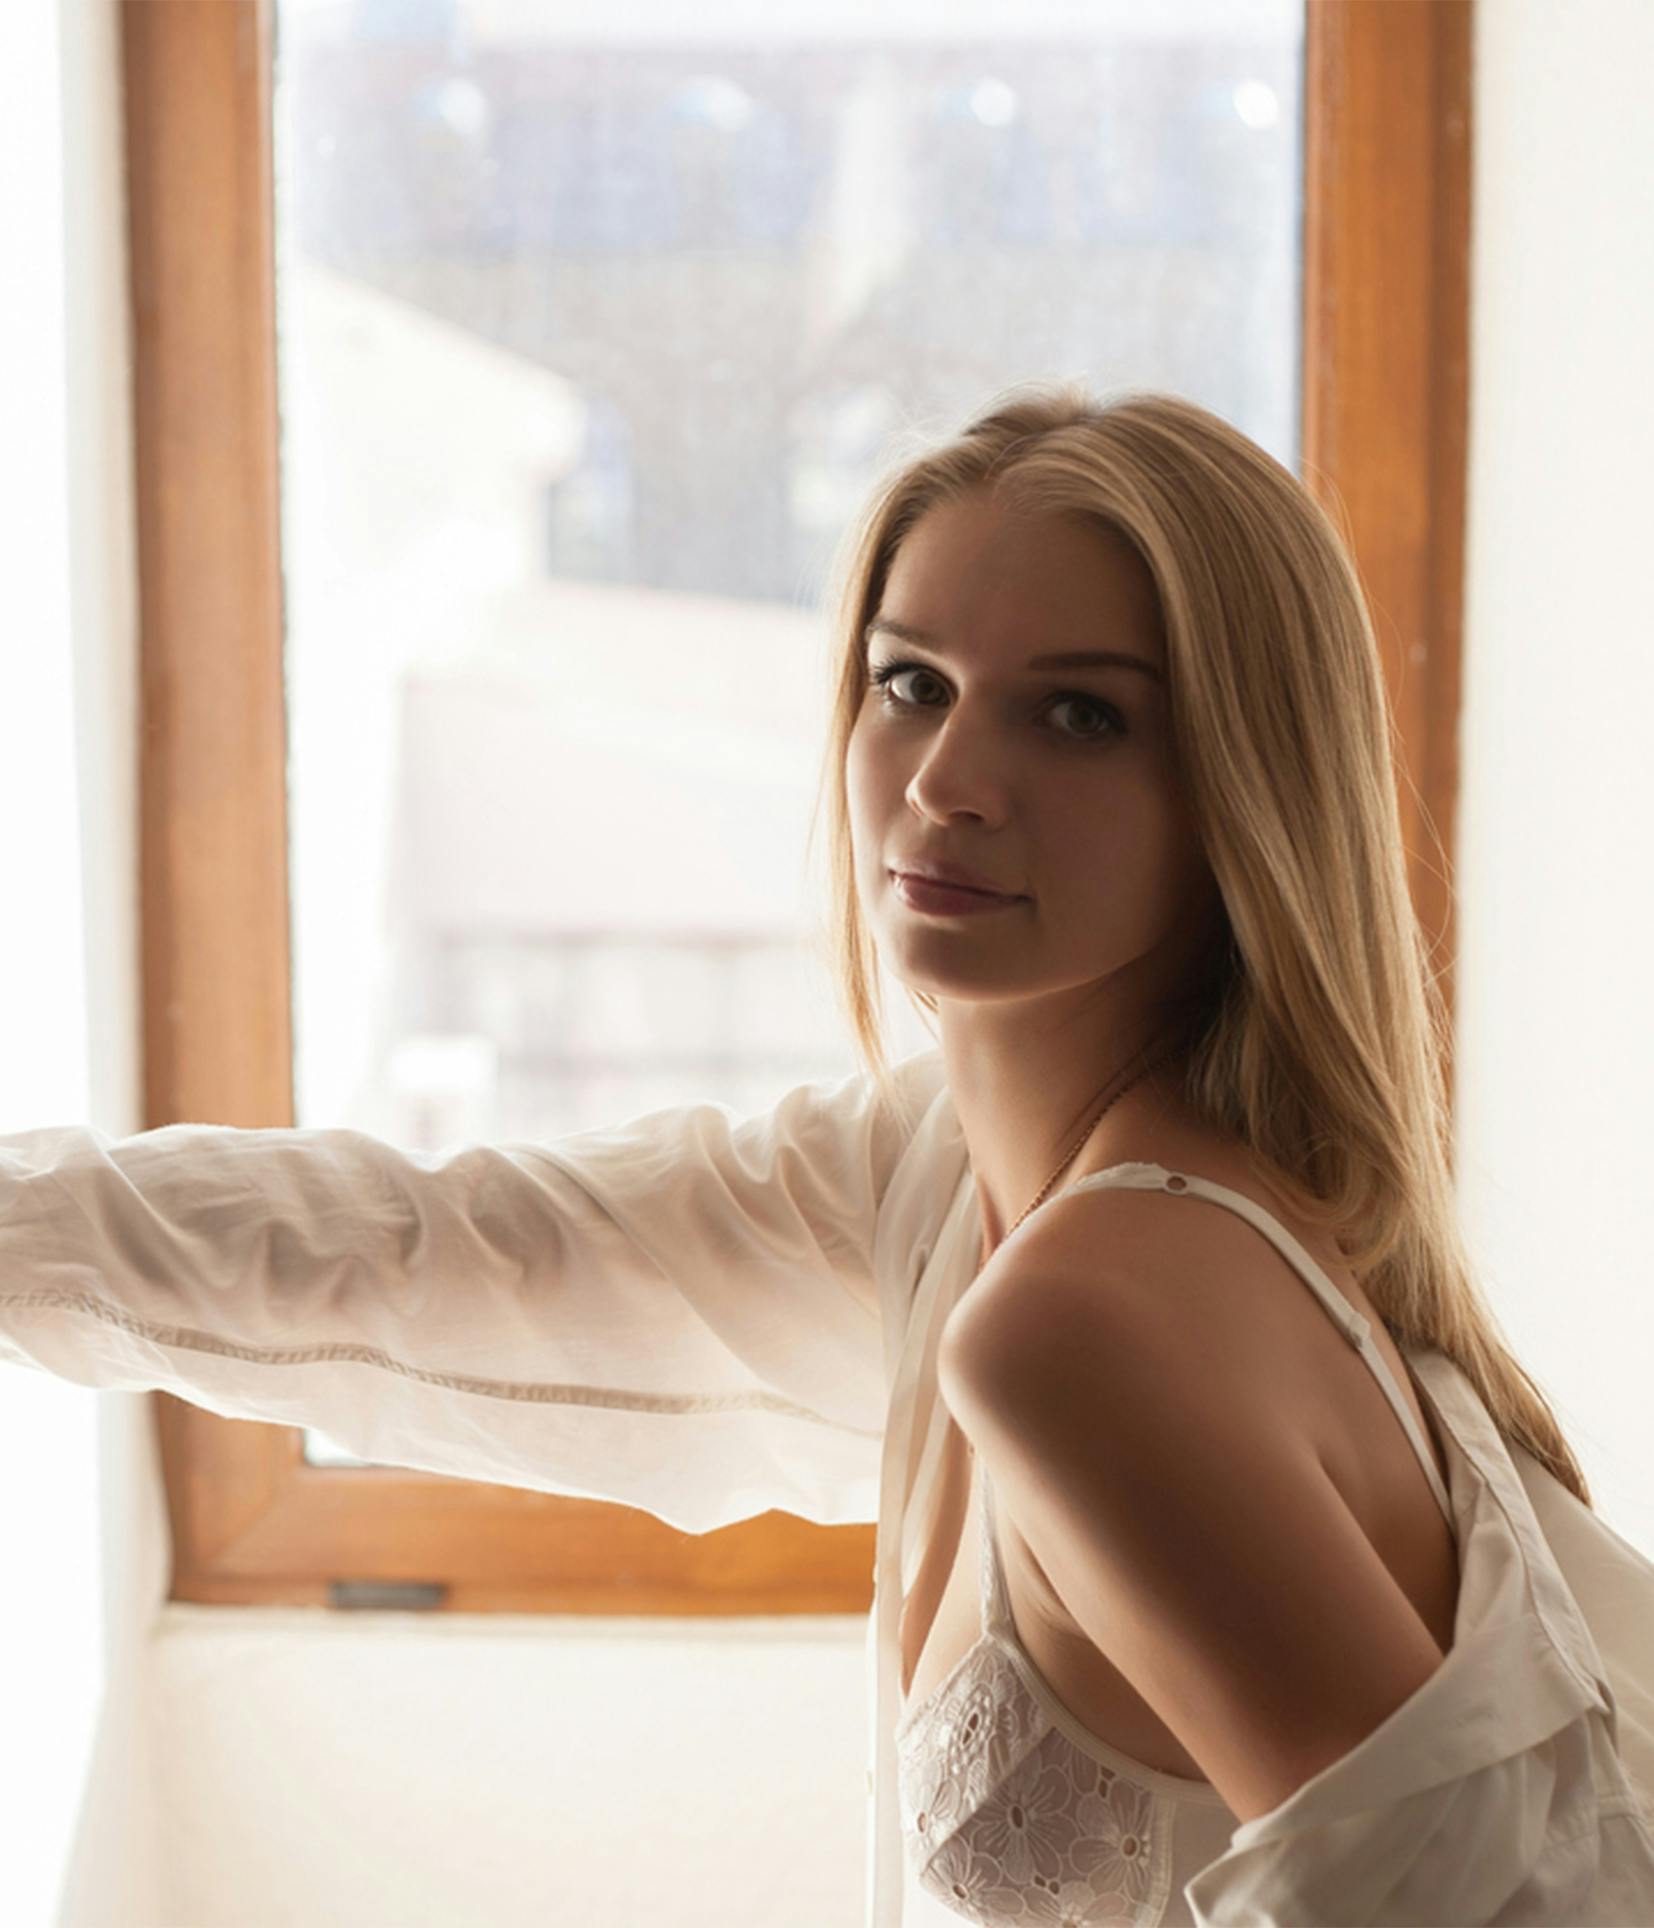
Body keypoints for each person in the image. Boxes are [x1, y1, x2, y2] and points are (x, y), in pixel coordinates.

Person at [3, 385, 1652, 1927]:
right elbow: (429, 1248)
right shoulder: (947, 1173)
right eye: (909, 683)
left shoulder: (1097, 1321)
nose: (944, 782)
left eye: (1079, 715)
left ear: (1244, 785)